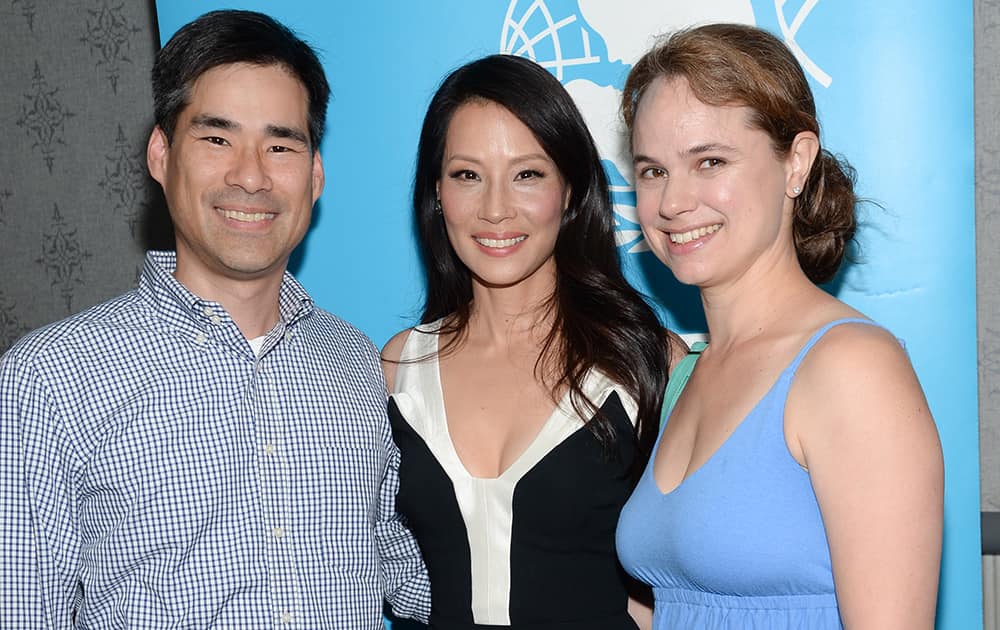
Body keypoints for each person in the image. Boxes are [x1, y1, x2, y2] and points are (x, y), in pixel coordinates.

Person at [0, 10, 429, 628]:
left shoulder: (354, 362)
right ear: (160, 154)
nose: (250, 175)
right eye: (217, 138)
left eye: (280, 145)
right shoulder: (47, 381)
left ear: (315, 176)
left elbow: (397, 563)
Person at [615, 23, 944, 629]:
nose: (672, 202)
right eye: (652, 170)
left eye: (709, 161)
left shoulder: (850, 367)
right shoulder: (685, 373)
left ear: (797, 162)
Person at [380, 54, 682, 629]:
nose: (495, 209)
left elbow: (669, 593)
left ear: (569, 190)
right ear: (436, 192)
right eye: (468, 174)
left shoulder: (648, 362)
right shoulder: (400, 366)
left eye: (527, 174)